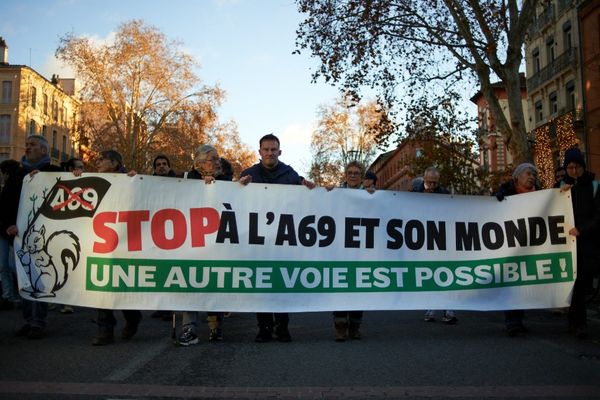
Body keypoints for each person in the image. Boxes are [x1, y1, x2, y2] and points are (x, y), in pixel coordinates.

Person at [239, 133, 315, 343]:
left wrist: (310, 189)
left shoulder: (290, 175)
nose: (270, 153)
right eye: (266, 150)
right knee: (261, 284)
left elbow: (305, 197)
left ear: (280, 152)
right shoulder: (249, 174)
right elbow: (235, 198)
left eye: (274, 150)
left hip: (284, 240)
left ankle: (282, 327)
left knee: (281, 283)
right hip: (259, 240)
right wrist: (239, 186)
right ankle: (264, 328)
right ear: (260, 152)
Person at [7, 135, 63, 339]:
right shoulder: (17, 175)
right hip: (19, 237)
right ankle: (28, 320)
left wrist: (77, 173)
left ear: (44, 151)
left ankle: (38, 322)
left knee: (37, 279)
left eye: (32, 145)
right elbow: (6, 204)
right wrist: (8, 225)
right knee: (23, 278)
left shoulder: (56, 173)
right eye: (27, 144)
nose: (27, 147)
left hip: (43, 238)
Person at [178, 145, 232, 346]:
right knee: (190, 282)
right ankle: (189, 329)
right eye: (212, 159)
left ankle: (215, 326)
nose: (217, 161)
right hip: (190, 241)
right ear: (199, 163)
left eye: (218, 158)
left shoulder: (227, 181)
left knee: (214, 281)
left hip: (218, 241)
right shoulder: (183, 179)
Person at [90, 150, 142, 345]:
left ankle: (132, 316)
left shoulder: (130, 180)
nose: (97, 162)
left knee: (121, 283)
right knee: (102, 285)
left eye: (101, 159)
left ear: (114, 163)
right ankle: (105, 330)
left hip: (125, 239)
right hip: (101, 240)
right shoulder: (93, 180)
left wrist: (135, 180)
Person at [495, 162, 540, 336]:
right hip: (511, 247)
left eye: (534, 175)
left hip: (531, 247)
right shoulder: (504, 193)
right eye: (528, 173)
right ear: (517, 177)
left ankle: (518, 320)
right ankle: (512, 322)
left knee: (523, 284)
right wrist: (497, 199)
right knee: (513, 284)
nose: (531, 177)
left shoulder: (541, 194)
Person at [560, 148, 600, 339]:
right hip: (567, 245)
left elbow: (598, 216)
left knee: (582, 284)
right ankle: (576, 323)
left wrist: (582, 230)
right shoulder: (562, 187)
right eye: (570, 167)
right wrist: (559, 192)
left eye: (576, 167)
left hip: (587, 245)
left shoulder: (594, 187)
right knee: (572, 284)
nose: (573, 171)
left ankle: (578, 323)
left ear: (583, 167)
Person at [331, 161, 373, 341]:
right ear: (345, 175)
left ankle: (355, 327)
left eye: (357, 173)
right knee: (340, 288)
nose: (353, 175)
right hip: (340, 248)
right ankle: (340, 327)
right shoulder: (336, 193)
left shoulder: (371, 195)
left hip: (361, 250)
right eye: (350, 172)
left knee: (358, 288)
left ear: (362, 176)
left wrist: (374, 196)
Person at [412, 167, 458, 325]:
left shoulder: (444, 194)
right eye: (429, 182)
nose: (432, 186)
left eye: (435, 183)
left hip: (440, 239)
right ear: (423, 178)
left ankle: (448, 309)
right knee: (430, 274)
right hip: (422, 240)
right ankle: (431, 307)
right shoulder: (413, 194)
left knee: (444, 273)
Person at [150, 155, 177, 321]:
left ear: (169, 166)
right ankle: (160, 306)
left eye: (164, 164)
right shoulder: (146, 182)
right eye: (158, 164)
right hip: (155, 230)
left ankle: (170, 307)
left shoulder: (180, 181)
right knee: (159, 271)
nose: (161, 167)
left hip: (174, 230)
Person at [0, 160, 23, 309]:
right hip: (9, 230)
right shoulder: (18, 185)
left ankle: (10, 295)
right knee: (9, 266)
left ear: (6, 173)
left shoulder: (13, 186)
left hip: (11, 231)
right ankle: (11, 296)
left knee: (7, 266)